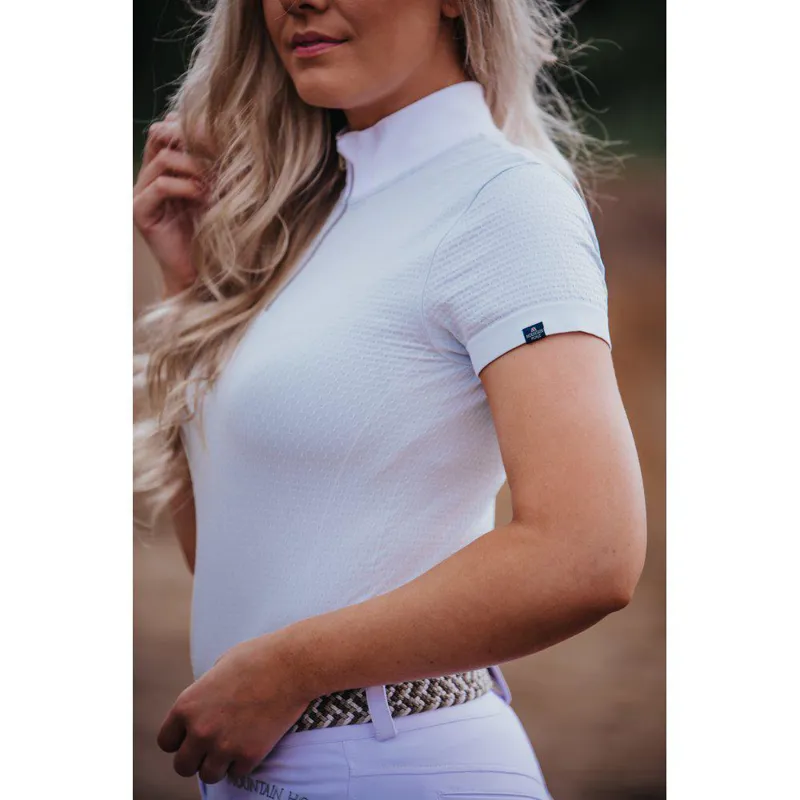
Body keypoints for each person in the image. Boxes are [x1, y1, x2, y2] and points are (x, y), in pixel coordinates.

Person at [133, 1, 647, 798]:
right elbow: (236, 558)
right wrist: (192, 290)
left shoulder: (504, 202)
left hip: (401, 765)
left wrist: (288, 670)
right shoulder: (314, 221)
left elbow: (589, 553)